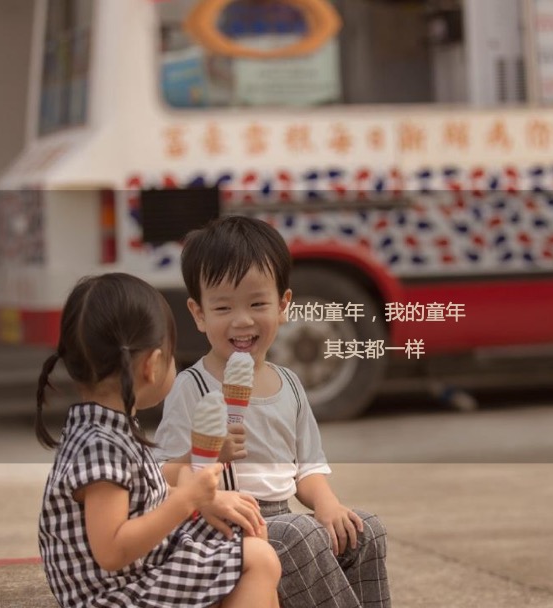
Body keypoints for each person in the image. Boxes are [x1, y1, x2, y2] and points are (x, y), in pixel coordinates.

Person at [154, 216, 391, 608]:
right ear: (199, 314)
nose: (242, 320)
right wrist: (208, 455)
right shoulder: (192, 388)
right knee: (300, 532)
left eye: (257, 303)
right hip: (221, 527)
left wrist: (328, 504)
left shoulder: (291, 386)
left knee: (364, 531)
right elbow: (163, 473)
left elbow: (307, 470)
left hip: (283, 518)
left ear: (283, 306)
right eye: (223, 307)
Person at [35, 272, 281, 608]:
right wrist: (188, 500)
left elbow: (146, 485)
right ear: (152, 365)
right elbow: (111, 550)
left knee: (246, 535)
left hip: (134, 573)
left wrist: (200, 470)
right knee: (258, 558)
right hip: (115, 594)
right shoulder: (100, 446)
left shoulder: (106, 427)